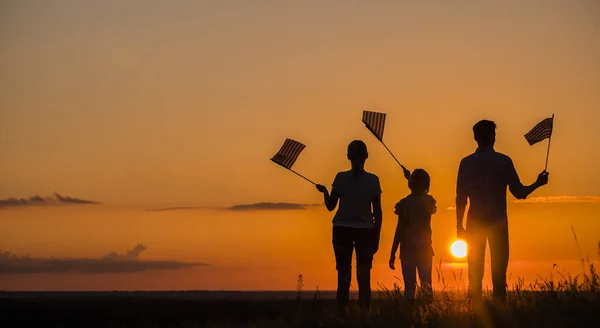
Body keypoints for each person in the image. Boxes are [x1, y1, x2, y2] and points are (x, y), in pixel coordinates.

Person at [456, 120, 549, 300]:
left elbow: (461, 199)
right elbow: (520, 193)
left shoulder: (465, 163)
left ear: (475, 137)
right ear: (493, 137)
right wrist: (537, 183)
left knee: (474, 272)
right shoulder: (503, 161)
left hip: (474, 222)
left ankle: (475, 311)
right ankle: (500, 310)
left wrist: (459, 226)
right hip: (498, 222)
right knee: (499, 272)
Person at [315, 140, 382, 312]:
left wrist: (324, 192)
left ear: (348, 157)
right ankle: (365, 313)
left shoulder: (340, 178)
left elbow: (330, 206)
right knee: (364, 274)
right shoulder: (373, 180)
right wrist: (377, 237)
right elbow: (378, 212)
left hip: (341, 229)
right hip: (366, 231)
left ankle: (341, 313)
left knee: (343, 273)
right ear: (367, 156)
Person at [389, 169, 437, 304]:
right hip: (425, 248)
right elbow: (421, 193)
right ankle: (428, 314)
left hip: (407, 249)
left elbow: (399, 229)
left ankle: (410, 315)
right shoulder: (428, 202)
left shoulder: (404, 204)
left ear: (411, 184)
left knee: (410, 286)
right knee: (427, 284)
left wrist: (393, 251)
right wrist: (411, 178)